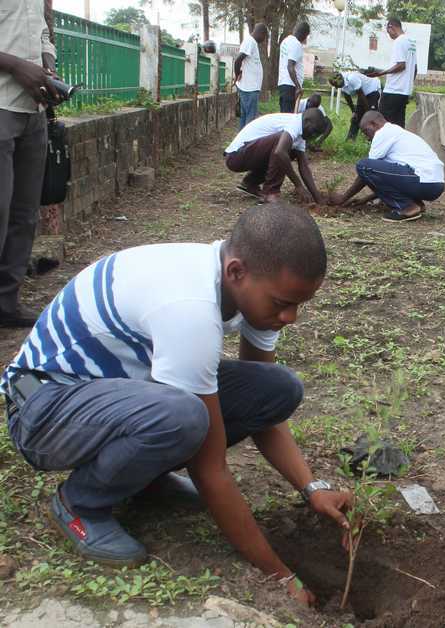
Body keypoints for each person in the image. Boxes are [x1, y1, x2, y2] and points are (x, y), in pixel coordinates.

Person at [2, 204, 354, 607]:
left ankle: (145, 478)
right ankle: (80, 503)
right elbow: (211, 470)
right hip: (44, 409)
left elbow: (264, 412)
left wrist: (312, 488)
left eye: (298, 305)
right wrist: (281, 575)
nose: (290, 317)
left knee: (278, 389)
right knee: (185, 417)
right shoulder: (190, 309)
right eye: (281, 303)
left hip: (110, 392)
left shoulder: (245, 285)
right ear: (237, 272)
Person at [0, 1, 61, 328]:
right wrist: (15, 66)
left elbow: (41, 36)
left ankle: (7, 302)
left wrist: (46, 67)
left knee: (23, 214)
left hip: (33, 111)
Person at [329, 111, 444, 223]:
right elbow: (386, 181)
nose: (367, 138)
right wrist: (365, 200)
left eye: (366, 131)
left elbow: (366, 171)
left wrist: (343, 198)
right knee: (369, 167)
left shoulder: (383, 133)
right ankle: (415, 204)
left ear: (373, 124)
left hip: (421, 179)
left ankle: (407, 207)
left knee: (363, 165)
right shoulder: (397, 132)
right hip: (434, 185)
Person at [224, 109, 328, 204]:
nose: (313, 137)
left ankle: (250, 183)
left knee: (290, 151)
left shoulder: (301, 135)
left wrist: (317, 197)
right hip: (236, 156)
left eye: (316, 135)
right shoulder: (294, 123)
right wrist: (298, 185)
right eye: (313, 131)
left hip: (247, 155)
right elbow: (280, 152)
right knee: (282, 147)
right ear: (306, 122)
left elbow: (304, 167)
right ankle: (270, 193)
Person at [368, 18, 417, 128]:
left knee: (383, 124)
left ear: (392, 27)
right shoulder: (411, 42)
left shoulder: (399, 41)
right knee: (398, 126)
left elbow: (401, 65)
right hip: (403, 93)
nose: (388, 35)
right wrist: (408, 88)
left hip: (393, 90)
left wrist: (381, 73)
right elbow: (415, 68)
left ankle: (383, 145)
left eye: (388, 31)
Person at [328, 71, 382, 141]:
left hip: (372, 90)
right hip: (362, 94)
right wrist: (354, 111)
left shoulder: (351, 78)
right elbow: (348, 98)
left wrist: (368, 112)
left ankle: (374, 140)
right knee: (355, 118)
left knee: (372, 117)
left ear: (339, 81)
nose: (336, 88)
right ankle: (350, 140)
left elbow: (361, 95)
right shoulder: (342, 83)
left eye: (336, 86)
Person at [234, 23, 267, 129]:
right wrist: (237, 74)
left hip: (250, 88)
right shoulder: (250, 42)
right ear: (261, 33)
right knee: (250, 121)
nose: (264, 40)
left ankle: (241, 143)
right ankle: (247, 144)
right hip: (249, 89)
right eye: (264, 37)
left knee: (245, 118)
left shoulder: (251, 42)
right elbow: (238, 60)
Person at [278, 22, 310, 114]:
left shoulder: (286, 41)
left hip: (283, 84)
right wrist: (298, 87)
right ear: (304, 34)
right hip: (290, 87)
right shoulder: (296, 44)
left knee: (284, 116)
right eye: (306, 36)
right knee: (289, 119)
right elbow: (290, 66)